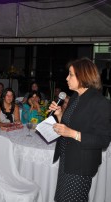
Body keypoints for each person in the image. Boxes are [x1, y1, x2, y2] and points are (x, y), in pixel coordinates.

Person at [49, 58, 111, 202]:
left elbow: (103, 140)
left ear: (82, 76)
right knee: (61, 198)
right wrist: (59, 114)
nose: (66, 78)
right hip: (67, 157)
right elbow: (71, 123)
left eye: (70, 74)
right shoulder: (75, 97)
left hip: (81, 164)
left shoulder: (100, 103)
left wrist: (71, 133)